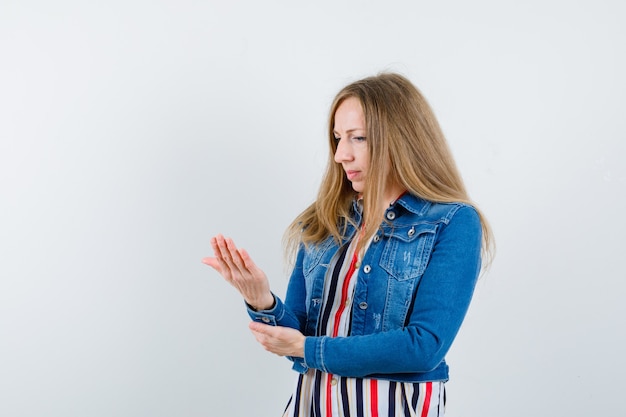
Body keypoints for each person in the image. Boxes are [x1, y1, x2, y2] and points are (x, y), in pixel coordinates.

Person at [203, 72, 494, 417]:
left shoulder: (453, 222)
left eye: (358, 138)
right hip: (310, 404)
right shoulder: (323, 221)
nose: (341, 154)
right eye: (337, 138)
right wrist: (260, 298)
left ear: (401, 139)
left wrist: (309, 350)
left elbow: (424, 346)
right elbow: (298, 335)